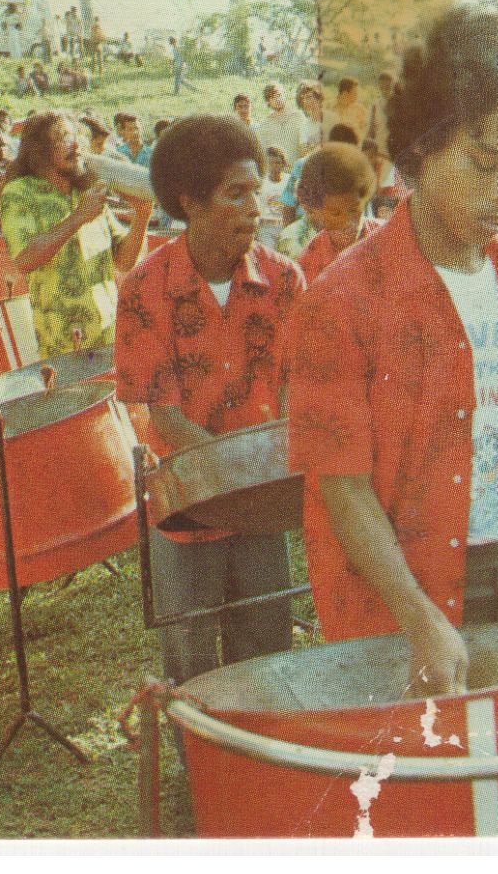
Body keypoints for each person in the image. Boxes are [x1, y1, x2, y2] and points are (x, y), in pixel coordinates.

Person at [285, 7, 498, 692]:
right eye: (483, 165)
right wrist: (416, 617)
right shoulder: (341, 302)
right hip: (407, 585)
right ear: (417, 149)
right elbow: (340, 485)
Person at [114, 113, 305, 693]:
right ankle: (203, 768)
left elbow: (301, 382)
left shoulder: (285, 281)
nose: (257, 207)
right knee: (193, 655)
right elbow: (160, 411)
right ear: (191, 203)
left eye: (259, 191)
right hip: (189, 510)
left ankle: (266, 759)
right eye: (236, 194)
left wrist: (269, 470)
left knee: (268, 642)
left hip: (263, 501)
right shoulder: (145, 290)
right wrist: (235, 472)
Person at [0, 110, 153, 356]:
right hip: (63, 342)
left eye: (75, 137)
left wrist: (142, 214)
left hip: (109, 333)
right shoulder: (20, 193)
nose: (75, 145)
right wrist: (79, 217)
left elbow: (123, 261)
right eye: (62, 138)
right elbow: (25, 259)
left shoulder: (87, 189)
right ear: (39, 150)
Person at [294, 141, 380, 282]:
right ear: (316, 212)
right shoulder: (309, 262)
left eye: (354, 210)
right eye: (335, 213)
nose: (349, 223)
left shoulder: (389, 238)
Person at [255, 84, 303, 175]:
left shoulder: (299, 118)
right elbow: (262, 152)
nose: (277, 99)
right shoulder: (264, 124)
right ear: (268, 102)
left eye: (279, 95)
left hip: (296, 174)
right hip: (275, 176)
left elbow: (305, 147)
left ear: (284, 95)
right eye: (272, 97)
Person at [294, 80, 325, 156]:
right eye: (302, 98)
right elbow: (303, 154)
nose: (305, 101)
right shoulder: (304, 126)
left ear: (318, 96)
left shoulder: (332, 118)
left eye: (309, 97)